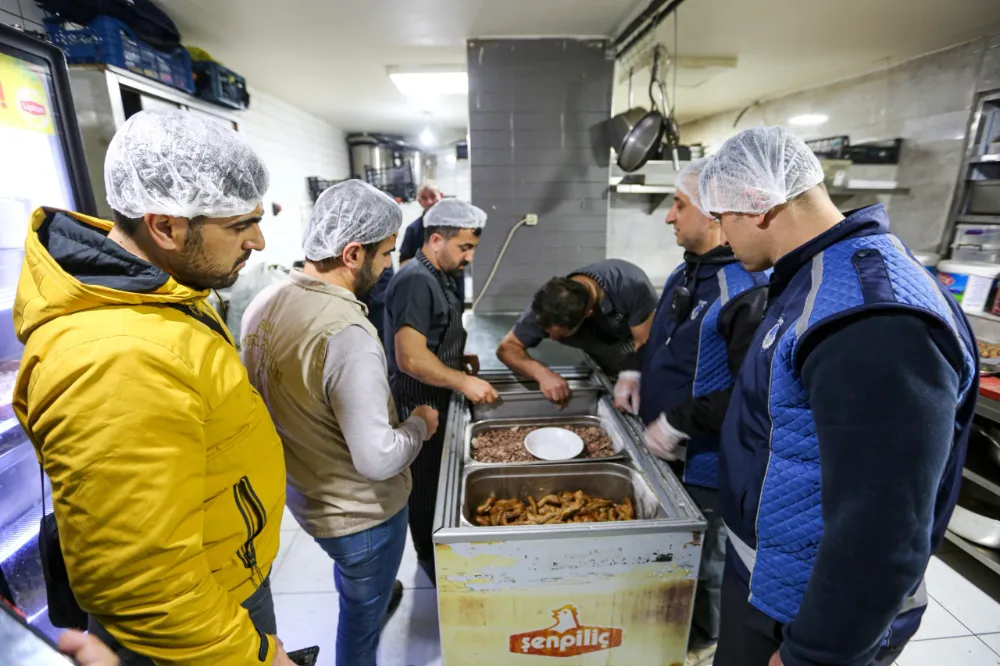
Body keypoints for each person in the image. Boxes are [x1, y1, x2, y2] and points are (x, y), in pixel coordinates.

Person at [12, 111, 293, 666]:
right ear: (165, 226)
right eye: (241, 225)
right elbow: (145, 583)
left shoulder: (159, 298)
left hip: (218, 582)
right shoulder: (114, 357)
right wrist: (255, 657)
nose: (259, 241)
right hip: (195, 631)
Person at [698, 126, 978, 666]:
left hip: (808, 617)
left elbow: (883, 525)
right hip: (770, 582)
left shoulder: (874, 318)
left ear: (757, 205)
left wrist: (816, 654)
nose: (723, 237)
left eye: (723, 218)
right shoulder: (809, 282)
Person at [241, 181, 439, 666]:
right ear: (353, 253)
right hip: (361, 515)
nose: (390, 266)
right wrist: (418, 424)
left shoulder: (263, 304)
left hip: (304, 496)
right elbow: (376, 458)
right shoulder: (346, 332)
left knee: (356, 582)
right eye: (386, 254)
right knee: (360, 620)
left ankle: (368, 590)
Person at [612, 158, 768, 661]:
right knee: (675, 554)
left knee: (707, 561)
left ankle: (700, 642)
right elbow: (664, 337)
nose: (668, 217)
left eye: (678, 205)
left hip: (708, 462)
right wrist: (637, 368)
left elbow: (755, 394)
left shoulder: (748, 292)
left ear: (716, 213)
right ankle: (670, 624)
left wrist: (681, 419)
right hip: (666, 451)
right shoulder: (687, 271)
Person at [384, 198, 499, 583]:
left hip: (438, 391)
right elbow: (411, 358)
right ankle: (431, 561)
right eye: (464, 247)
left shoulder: (439, 276)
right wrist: (464, 382)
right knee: (426, 489)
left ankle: (440, 551)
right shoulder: (417, 279)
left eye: (472, 249)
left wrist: (455, 358)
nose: (469, 257)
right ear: (436, 239)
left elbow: (430, 339)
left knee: (440, 483)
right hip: (420, 401)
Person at [496, 259, 657, 404]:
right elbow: (507, 348)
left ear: (587, 315)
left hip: (631, 343)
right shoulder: (547, 306)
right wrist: (542, 373)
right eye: (548, 332)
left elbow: (644, 343)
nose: (551, 338)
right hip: (597, 351)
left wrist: (631, 376)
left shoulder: (630, 285)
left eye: (560, 335)